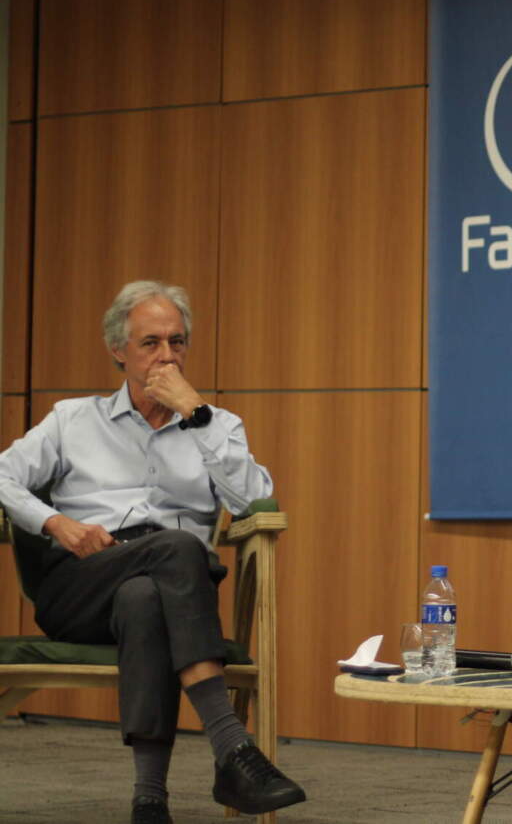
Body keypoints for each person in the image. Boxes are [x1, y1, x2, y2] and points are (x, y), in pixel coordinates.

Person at [0, 281, 305, 824]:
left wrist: (198, 415)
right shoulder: (73, 420)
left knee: (148, 595)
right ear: (119, 350)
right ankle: (232, 747)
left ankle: (149, 801)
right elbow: (2, 475)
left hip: (167, 591)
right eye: (151, 343)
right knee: (179, 548)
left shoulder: (217, 425)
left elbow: (252, 500)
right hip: (82, 585)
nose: (167, 356)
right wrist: (57, 522)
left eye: (177, 342)